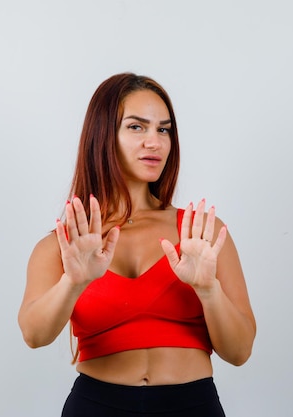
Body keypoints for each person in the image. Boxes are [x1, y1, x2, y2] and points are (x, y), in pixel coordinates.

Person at [18, 73, 256, 417]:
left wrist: (208, 290)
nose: (154, 142)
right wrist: (74, 282)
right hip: (96, 406)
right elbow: (34, 335)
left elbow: (240, 352)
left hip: (192, 406)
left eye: (163, 129)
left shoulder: (201, 233)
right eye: (136, 127)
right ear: (102, 136)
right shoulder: (63, 245)